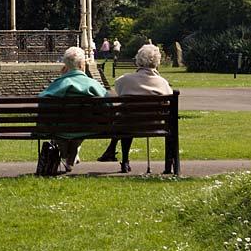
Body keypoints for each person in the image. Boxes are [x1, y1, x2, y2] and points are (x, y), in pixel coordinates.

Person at [97, 43, 173, 172]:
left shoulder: (124, 80)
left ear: (138, 61)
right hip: (154, 125)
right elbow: (169, 98)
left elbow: (119, 90)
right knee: (127, 119)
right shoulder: (162, 82)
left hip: (128, 124)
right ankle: (170, 165)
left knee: (126, 118)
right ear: (157, 62)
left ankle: (125, 160)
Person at [39, 46, 109, 172]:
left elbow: (42, 103)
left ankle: (66, 154)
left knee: (63, 128)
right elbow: (108, 105)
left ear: (65, 66)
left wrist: (62, 77)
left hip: (61, 128)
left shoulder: (58, 84)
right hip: (86, 127)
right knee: (81, 125)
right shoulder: (92, 84)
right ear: (82, 65)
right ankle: (72, 151)